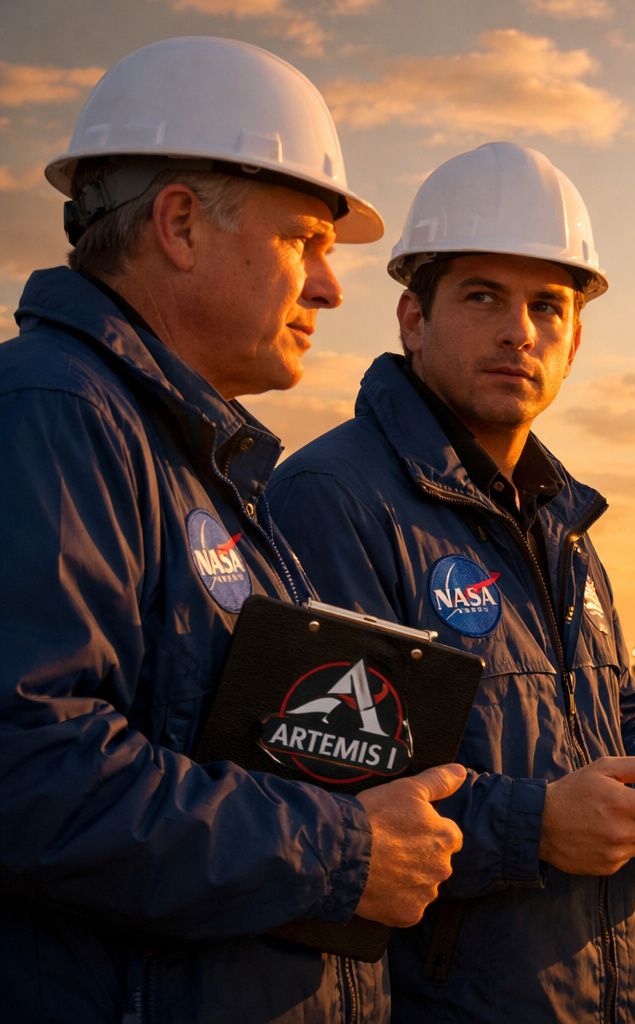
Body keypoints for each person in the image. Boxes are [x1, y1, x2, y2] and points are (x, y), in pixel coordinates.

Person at [267, 142, 635, 1022]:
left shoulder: (560, 521)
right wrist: (537, 824)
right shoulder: (338, 498)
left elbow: (613, 712)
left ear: (575, 341)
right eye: (483, 297)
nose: (520, 331)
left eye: (548, 307)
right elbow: (324, 787)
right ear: (411, 318)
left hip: (605, 995)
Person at [0, 38, 467, 1022]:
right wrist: (344, 850)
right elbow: (29, 772)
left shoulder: (198, 462)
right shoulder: (57, 417)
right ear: (179, 223)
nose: (335, 290)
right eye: (305, 241)